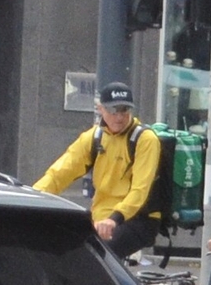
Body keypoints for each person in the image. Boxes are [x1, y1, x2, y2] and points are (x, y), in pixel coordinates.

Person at [34, 82, 165, 253]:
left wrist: (114, 219)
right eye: (113, 110)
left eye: (124, 110)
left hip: (137, 218)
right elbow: (60, 173)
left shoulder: (145, 139)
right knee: (59, 251)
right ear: (100, 109)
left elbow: (140, 190)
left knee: (96, 255)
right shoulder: (94, 137)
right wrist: (32, 198)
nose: (119, 117)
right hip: (100, 218)